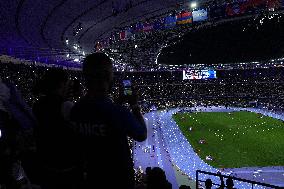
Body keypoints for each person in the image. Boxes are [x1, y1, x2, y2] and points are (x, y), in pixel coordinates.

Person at [70, 53, 147, 189]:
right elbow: (141, 134)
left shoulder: (76, 109)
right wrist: (134, 106)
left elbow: (101, 116)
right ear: (108, 77)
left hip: (93, 178)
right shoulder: (118, 112)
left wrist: (119, 103)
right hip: (118, 180)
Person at [32, 69, 83, 189]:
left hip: (46, 166)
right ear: (61, 84)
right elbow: (82, 129)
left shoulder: (37, 105)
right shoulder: (66, 106)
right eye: (67, 83)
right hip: (67, 169)